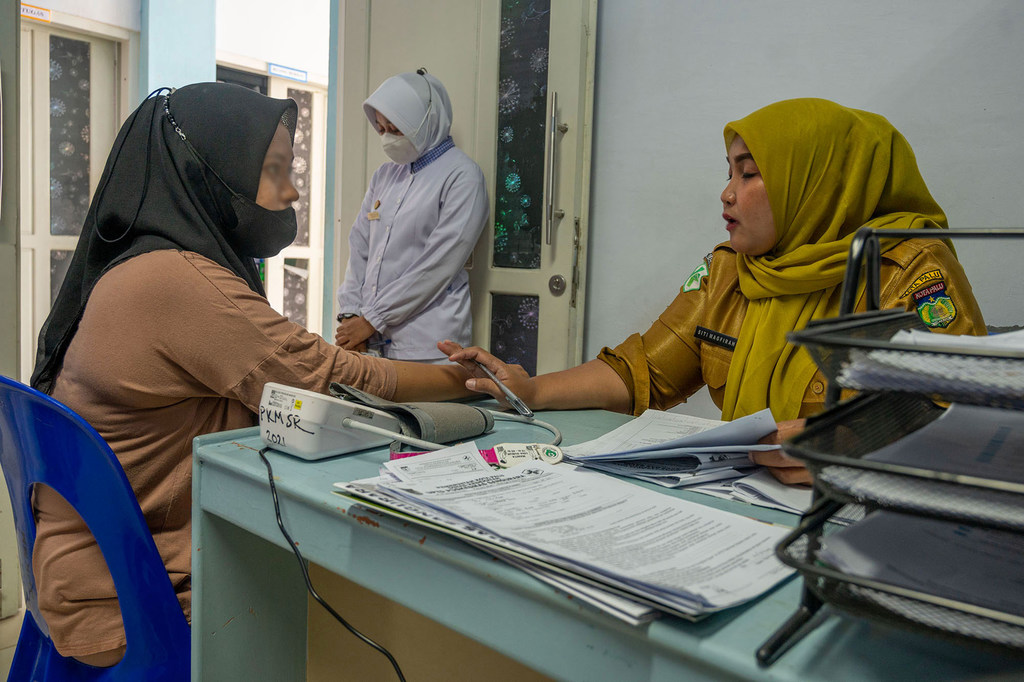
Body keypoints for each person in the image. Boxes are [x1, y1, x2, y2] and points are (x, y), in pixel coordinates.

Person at [29, 83, 473, 666]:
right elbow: (329, 376)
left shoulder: (138, 261)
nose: (290, 191)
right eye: (273, 171)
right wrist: (466, 381)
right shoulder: (177, 281)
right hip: (129, 590)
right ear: (210, 172)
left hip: (81, 567)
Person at [442, 97, 986, 485]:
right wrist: (530, 390)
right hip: (747, 495)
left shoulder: (907, 268)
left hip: (854, 519)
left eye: (749, 174)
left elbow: (960, 412)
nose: (726, 193)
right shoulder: (732, 269)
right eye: (729, 172)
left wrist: (847, 440)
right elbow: (644, 371)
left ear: (819, 184)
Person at [335, 69, 488, 363]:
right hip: (370, 339)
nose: (387, 138)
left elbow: (438, 265)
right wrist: (351, 314)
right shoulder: (385, 175)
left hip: (429, 344)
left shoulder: (463, 176)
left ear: (425, 121)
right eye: (381, 129)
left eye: (396, 128)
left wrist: (372, 319)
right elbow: (360, 248)